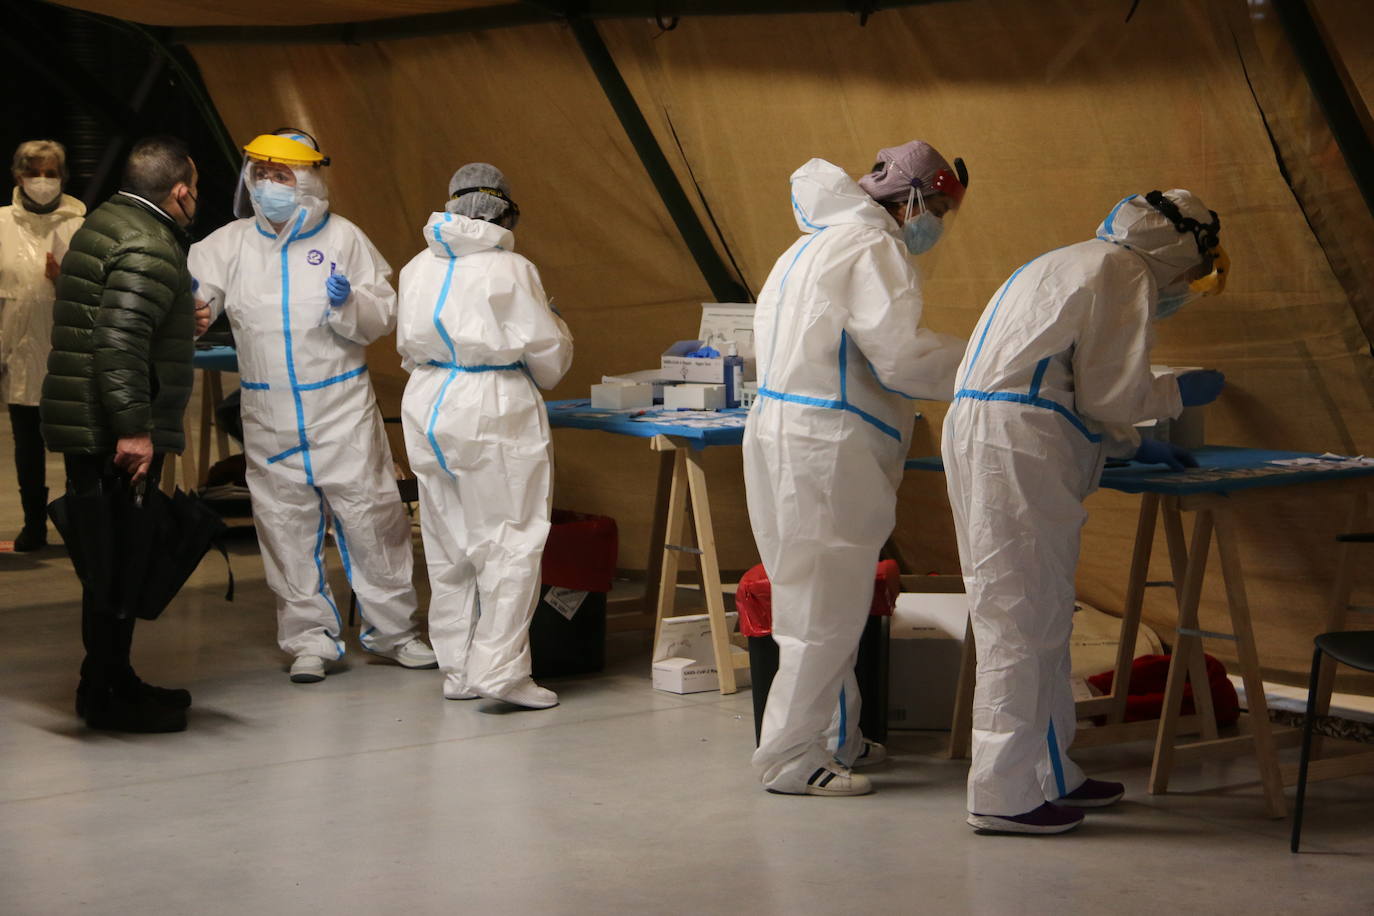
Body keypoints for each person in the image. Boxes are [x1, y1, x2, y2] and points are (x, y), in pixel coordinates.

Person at [942, 189, 1229, 834]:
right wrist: (1176, 394)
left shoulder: (1066, 260)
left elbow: (1064, 381)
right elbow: (1109, 391)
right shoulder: (1124, 271)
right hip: (1018, 444)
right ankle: (1002, 795)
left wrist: (1130, 440)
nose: (1188, 285)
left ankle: (1050, 770)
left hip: (1001, 432)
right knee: (1020, 617)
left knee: (1037, 612)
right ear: (1180, 245)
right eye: (1194, 268)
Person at [744, 142, 968, 795]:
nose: (938, 227)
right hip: (827, 444)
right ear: (917, 199)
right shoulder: (875, 249)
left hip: (782, 435)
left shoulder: (808, 246)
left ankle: (833, 737)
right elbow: (898, 356)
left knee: (812, 595)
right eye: (942, 211)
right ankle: (791, 758)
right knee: (829, 604)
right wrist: (984, 362)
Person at [188, 129, 435, 683]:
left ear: (309, 180)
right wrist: (192, 312)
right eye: (262, 173)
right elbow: (193, 300)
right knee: (283, 526)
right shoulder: (226, 245)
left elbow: (382, 317)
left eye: (283, 175)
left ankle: (395, 633)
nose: (269, 185)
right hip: (268, 412)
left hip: (340, 408)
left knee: (373, 518)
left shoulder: (345, 238)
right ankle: (309, 639)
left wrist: (351, 303)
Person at [40, 135, 206, 732]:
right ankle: (106, 694)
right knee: (115, 560)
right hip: (111, 429)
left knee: (110, 558)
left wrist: (183, 316)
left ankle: (113, 677)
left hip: (90, 419)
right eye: (196, 188)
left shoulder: (109, 221)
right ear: (180, 190)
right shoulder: (152, 244)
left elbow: (114, 315)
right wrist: (135, 431)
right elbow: (120, 343)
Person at [397, 163, 573, 709]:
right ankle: (500, 673)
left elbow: (407, 349)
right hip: (491, 403)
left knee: (448, 542)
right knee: (510, 538)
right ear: (503, 208)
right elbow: (548, 360)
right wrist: (556, 325)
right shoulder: (512, 269)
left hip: (426, 402)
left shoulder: (414, 268)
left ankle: (458, 668)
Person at [0, 140, 86, 550]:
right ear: (19, 176)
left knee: (73, 442)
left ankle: (76, 521)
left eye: (52, 173)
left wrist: (65, 280)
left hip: (67, 349)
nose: (44, 181)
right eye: (36, 172)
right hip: (17, 350)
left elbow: (98, 290)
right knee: (27, 444)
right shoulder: (1, 224)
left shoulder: (80, 223)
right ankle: (34, 522)